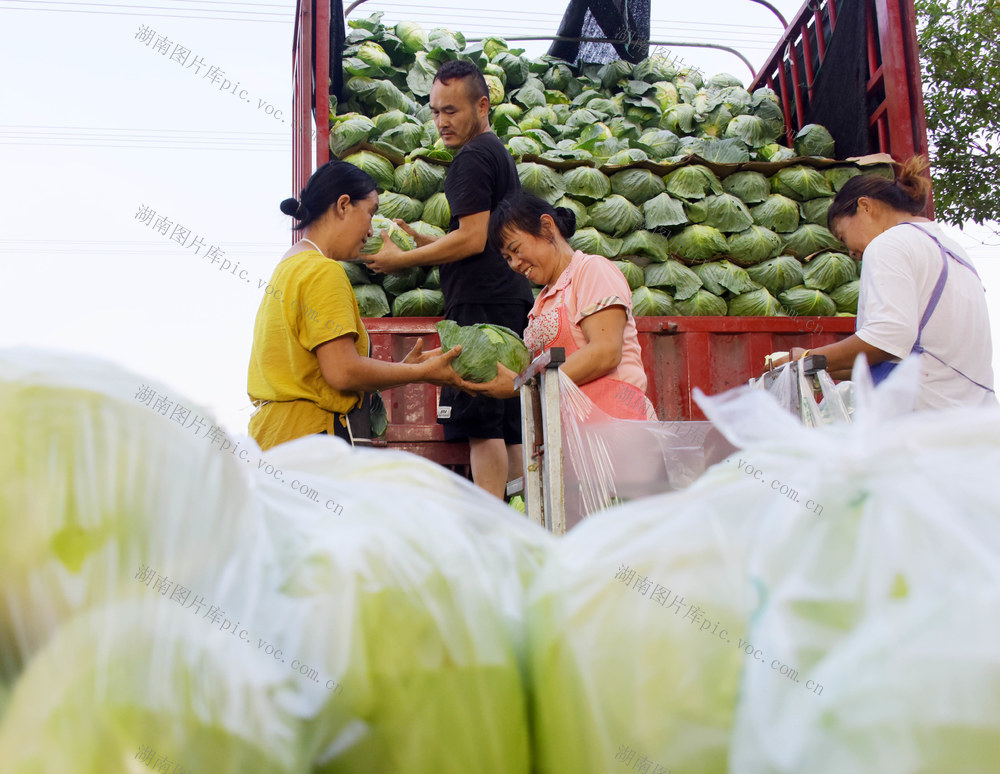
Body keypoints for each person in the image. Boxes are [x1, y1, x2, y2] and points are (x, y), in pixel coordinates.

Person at [363, 59, 534, 499]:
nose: (441, 122)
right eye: (435, 111)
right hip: (506, 299)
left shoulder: (471, 159)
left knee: (481, 426)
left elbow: (473, 240)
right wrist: (430, 244)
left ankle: (494, 523)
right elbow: (482, 233)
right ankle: (523, 517)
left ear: (482, 104)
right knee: (508, 424)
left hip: (481, 304)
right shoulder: (496, 151)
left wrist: (403, 259)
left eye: (452, 111)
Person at [247, 160, 472, 452]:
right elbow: (342, 372)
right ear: (343, 205)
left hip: (275, 438)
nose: (372, 230)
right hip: (312, 443)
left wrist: (402, 369)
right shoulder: (323, 272)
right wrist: (423, 373)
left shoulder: (289, 267)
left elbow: (315, 373)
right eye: (371, 213)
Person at [774, 156, 996, 410]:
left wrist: (805, 359)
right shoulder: (955, 252)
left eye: (843, 236)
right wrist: (818, 362)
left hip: (923, 426)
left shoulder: (889, 243)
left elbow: (888, 337)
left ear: (865, 207)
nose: (851, 253)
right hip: (978, 422)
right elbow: (909, 351)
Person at [474, 192, 657, 420]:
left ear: (547, 226)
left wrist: (523, 384)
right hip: (570, 434)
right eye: (507, 258)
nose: (515, 264)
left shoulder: (591, 270)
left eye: (516, 249)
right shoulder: (540, 303)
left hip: (614, 425)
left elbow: (605, 352)